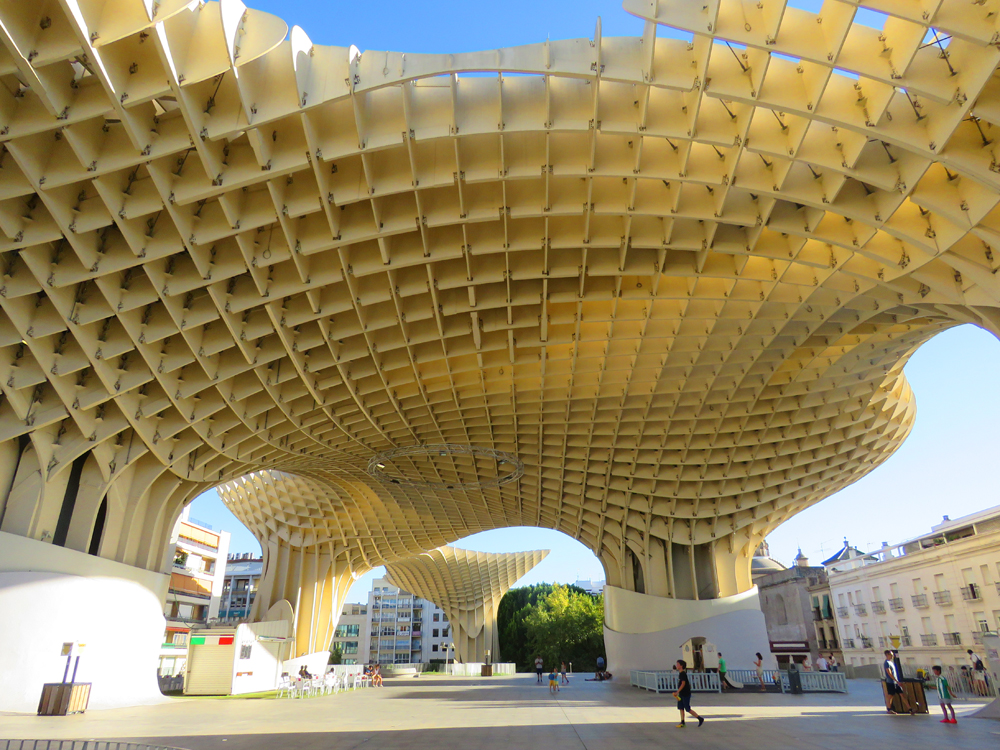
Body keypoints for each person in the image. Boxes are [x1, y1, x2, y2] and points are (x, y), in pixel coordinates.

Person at [672, 660, 704, 728]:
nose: (676, 665)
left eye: (678, 664)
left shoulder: (683, 673)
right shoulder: (680, 673)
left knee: (687, 708)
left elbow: (683, 684)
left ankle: (699, 718)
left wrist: (677, 692)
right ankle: (682, 722)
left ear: (681, 666)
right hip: (681, 693)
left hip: (685, 693)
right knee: (681, 707)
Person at [882, 650, 913, 715]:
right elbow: (889, 673)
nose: (892, 656)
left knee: (902, 694)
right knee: (890, 696)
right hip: (891, 682)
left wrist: (897, 681)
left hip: (896, 682)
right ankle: (889, 709)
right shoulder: (886, 663)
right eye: (891, 654)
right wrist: (896, 681)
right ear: (887, 655)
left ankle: (910, 709)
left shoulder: (891, 662)